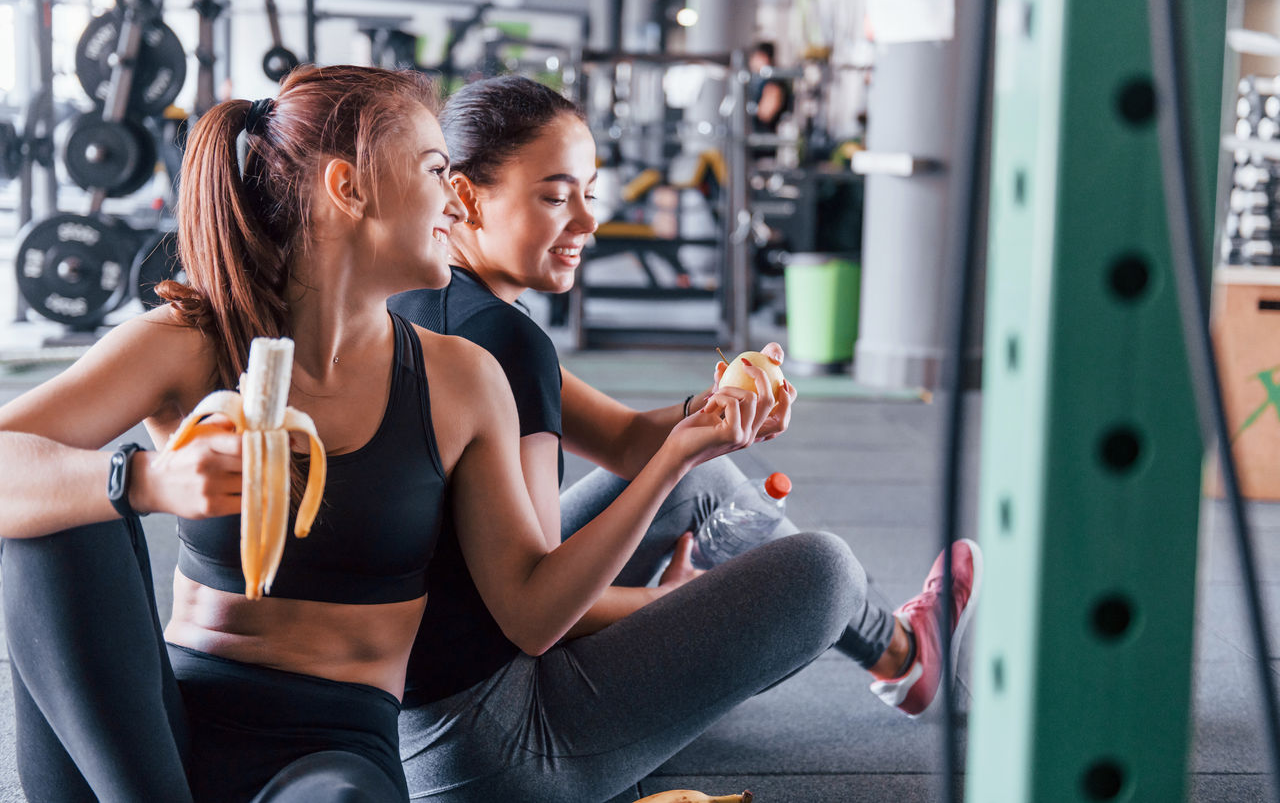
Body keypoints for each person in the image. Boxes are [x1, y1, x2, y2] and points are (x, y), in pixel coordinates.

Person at [0, 65, 782, 803]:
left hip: (328, 750)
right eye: (437, 170)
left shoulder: (461, 379)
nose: (456, 198)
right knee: (52, 518)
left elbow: (533, 613)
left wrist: (680, 452)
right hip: (147, 739)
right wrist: (143, 481)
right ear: (349, 188)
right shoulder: (195, 338)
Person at [388, 75, 982, 803]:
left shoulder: (423, 298)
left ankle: (901, 653)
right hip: (502, 749)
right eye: (554, 196)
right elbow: (532, 614)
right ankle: (898, 652)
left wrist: (718, 407)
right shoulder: (503, 339)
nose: (587, 222)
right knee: (822, 572)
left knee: (701, 479)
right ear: (468, 197)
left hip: (414, 736)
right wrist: (663, 603)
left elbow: (628, 440)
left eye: (589, 191)